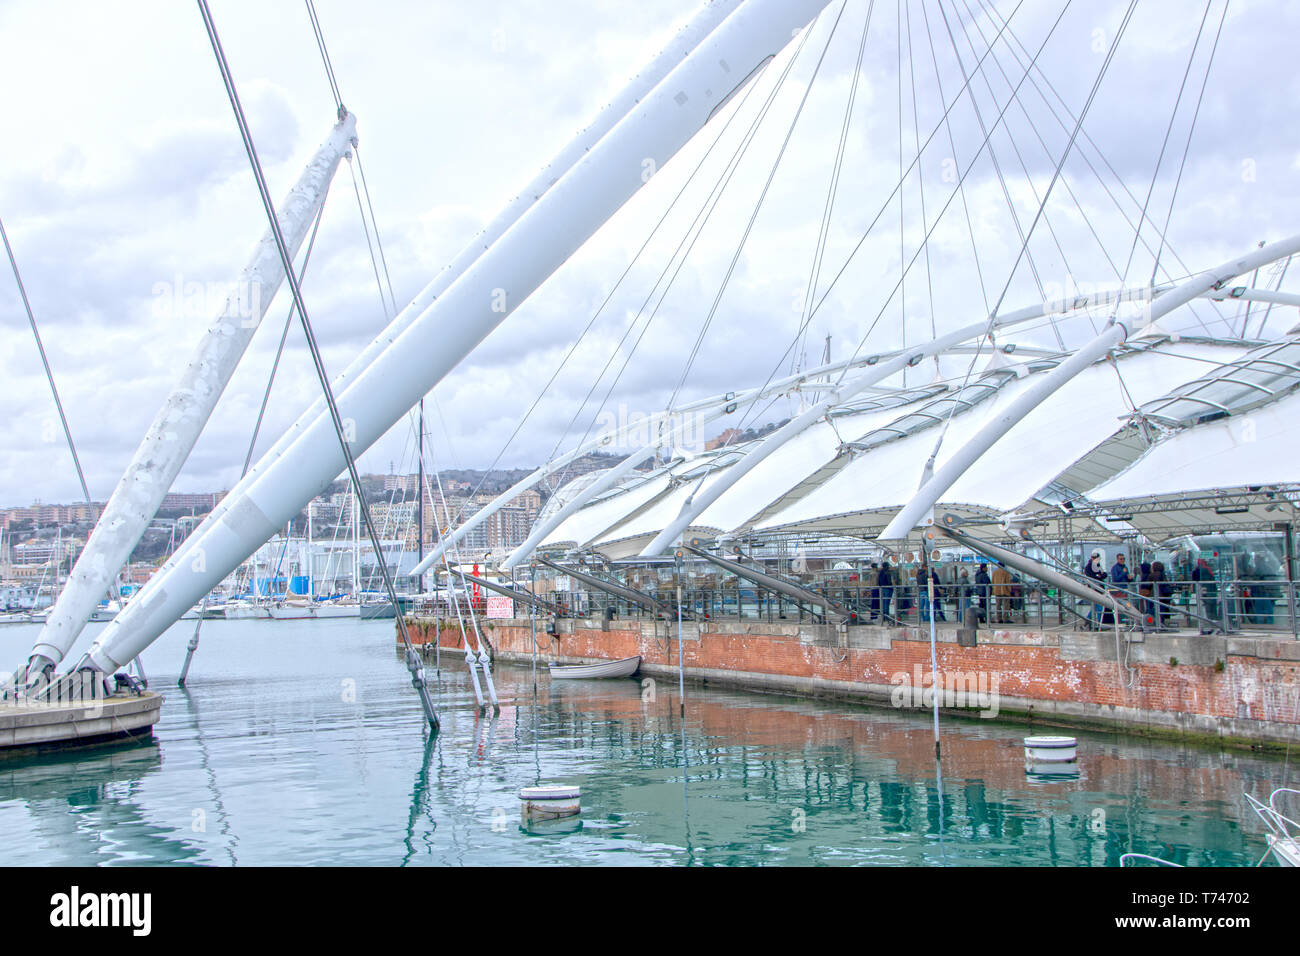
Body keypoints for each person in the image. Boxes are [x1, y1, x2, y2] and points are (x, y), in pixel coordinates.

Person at [1191, 558, 1218, 630]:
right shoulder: (1208, 569)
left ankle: (1208, 621)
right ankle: (1213, 620)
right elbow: (1213, 580)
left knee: (1206, 606)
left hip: (1203, 590)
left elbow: (1194, 580)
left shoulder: (1196, 570)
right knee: (1212, 606)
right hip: (1211, 590)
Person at [1083, 550, 1107, 628]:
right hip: (1094, 588)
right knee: (1098, 605)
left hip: (1098, 588)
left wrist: (1099, 576)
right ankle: (1099, 624)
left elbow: (1104, 574)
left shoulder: (1097, 565)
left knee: (1096, 606)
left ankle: (1088, 620)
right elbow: (1091, 577)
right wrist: (1099, 576)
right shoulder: (1089, 567)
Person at [1151, 561, 1171, 627]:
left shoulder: (1152, 575)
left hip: (1155, 595)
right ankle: (1161, 624)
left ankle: (1154, 624)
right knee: (1161, 611)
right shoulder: (1163, 575)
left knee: (1153, 611)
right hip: (1163, 596)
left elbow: (1147, 585)